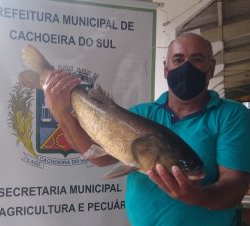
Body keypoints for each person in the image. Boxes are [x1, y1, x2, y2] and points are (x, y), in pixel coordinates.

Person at [43, 33, 250, 226]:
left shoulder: (231, 114)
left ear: (211, 68)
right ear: (166, 69)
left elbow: (235, 185)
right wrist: (61, 114)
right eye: (178, 60)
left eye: (197, 59)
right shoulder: (140, 114)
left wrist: (199, 196)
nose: (186, 67)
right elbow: (100, 157)